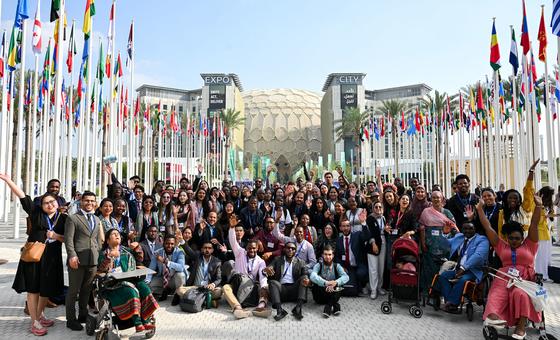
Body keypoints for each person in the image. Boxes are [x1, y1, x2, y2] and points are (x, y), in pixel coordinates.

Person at [1, 174, 66, 336]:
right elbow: (22, 196)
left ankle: (39, 314)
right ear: (41, 205)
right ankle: (34, 322)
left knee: (46, 289)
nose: (50, 205)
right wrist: (8, 180)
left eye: (52, 202)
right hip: (34, 257)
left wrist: (56, 236)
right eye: (46, 203)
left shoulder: (64, 218)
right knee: (33, 289)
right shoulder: (36, 213)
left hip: (52, 258)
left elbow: (68, 239)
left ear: (57, 203)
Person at [479, 194, 543, 339]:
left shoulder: (530, 245)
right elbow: (487, 226)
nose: (514, 241)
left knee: (520, 294)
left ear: (522, 238)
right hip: (504, 277)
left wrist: (538, 206)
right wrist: (480, 210)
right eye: (511, 238)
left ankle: (521, 328)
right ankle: (493, 317)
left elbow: (534, 224)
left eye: (517, 238)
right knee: (497, 293)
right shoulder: (502, 246)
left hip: (524, 279)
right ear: (507, 238)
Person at [97, 229, 158, 332]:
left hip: (131, 280)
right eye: (113, 234)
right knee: (131, 291)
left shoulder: (126, 251)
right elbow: (101, 269)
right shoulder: (103, 253)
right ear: (107, 240)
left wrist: (138, 248)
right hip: (113, 285)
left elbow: (140, 258)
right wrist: (110, 257)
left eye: (118, 234)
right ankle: (138, 324)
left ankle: (145, 320)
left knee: (144, 288)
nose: (117, 235)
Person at [64, 191, 102, 331]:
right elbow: (68, 240)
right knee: (73, 291)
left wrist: (98, 254)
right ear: (81, 201)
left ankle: (83, 315)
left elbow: (97, 240)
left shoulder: (97, 219)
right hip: (77, 260)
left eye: (92, 201)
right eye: (87, 200)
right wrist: (72, 255)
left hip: (92, 260)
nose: (89, 203)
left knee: (87, 290)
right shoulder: (73, 218)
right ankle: (70, 319)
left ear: (95, 203)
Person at [435, 220, 489, 312]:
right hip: (458, 268)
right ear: (462, 230)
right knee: (443, 276)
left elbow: (478, 256)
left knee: (463, 279)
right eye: (465, 229)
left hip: (473, 270)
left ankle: (452, 303)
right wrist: (445, 234)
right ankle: (450, 303)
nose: (467, 231)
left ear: (475, 229)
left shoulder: (482, 240)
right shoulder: (459, 236)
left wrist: (464, 268)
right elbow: (443, 245)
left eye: (470, 228)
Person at [223, 214, 269, 319]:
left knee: (264, 286)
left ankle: (260, 307)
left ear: (257, 249)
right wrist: (231, 228)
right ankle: (237, 308)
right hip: (237, 284)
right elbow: (232, 241)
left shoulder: (260, 261)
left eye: (253, 248)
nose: (251, 250)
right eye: (249, 248)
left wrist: (264, 288)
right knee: (225, 288)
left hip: (250, 287)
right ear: (246, 248)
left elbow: (262, 278)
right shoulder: (240, 252)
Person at [418, 190, 457, 293]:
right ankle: (429, 292)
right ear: (431, 199)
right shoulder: (426, 212)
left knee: (443, 270)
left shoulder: (447, 213)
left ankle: (442, 293)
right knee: (429, 270)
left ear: (442, 199)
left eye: (438, 197)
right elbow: (422, 228)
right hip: (430, 245)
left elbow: (454, 229)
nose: (436, 199)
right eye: (434, 197)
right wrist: (423, 243)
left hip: (444, 247)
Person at [264, 242, 310, 321]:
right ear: (284, 249)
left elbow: (305, 274)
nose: (290, 250)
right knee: (272, 282)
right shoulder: (277, 259)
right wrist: (267, 269)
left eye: (293, 249)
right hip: (281, 290)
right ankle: (280, 310)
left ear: (295, 251)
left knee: (304, 278)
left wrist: (308, 280)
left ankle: (298, 308)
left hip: (294, 290)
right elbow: (268, 268)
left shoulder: (301, 262)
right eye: (288, 248)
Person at [174, 242, 223, 306]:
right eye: (205, 248)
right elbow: (189, 251)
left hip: (207, 289)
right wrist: (182, 241)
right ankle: (207, 301)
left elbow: (219, 278)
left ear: (212, 250)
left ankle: (195, 299)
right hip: (195, 288)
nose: (207, 250)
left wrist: (213, 284)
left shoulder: (217, 262)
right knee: (179, 290)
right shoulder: (197, 257)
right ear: (202, 249)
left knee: (219, 291)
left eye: (209, 248)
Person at [310, 245, 349, 317]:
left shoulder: (337, 266)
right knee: (317, 282)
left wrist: (335, 282)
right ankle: (335, 305)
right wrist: (326, 283)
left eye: (329, 254)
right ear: (322, 255)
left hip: (332, 293)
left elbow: (346, 277)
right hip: (320, 297)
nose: (327, 257)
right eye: (325, 254)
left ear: (333, 255)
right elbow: (312, 276)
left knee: (340, 284)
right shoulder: (318, 265)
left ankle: (328, 306)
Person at [146, 235, 187, 301]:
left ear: (175, 244)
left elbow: (181, 267)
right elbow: (151, 269)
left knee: (180, 275)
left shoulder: (180, 252)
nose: (169, 246)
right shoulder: (157, 253)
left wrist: (166, 262)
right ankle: (166, 291)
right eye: (167, 243)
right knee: (149, 285)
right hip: (163, 279)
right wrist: (147, 281)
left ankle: (178, 294)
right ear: (163, 243)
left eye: (172, 244)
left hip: (174, 279)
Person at [335, 219, 368, 296]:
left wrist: (363, 223)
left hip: (358, 265)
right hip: (347, 267)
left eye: (347, 226)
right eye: (343, 226)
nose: (346, 228)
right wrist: (341, 267)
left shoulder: (357, 235)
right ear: (340, 228)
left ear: (350, 227)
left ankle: (363, 285)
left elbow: (366, 236)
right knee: (348, 286)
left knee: (360, 274)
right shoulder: (338, 240)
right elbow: (337, 257)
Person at [364, 201, 385, 299]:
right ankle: (373, 289)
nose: (378, 209)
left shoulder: (383, 218)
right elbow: (368, 232)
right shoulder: (369, 218)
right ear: (373, 209)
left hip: (383, 243)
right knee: (373, 269)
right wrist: (373, 243)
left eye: (380, 207)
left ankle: (379, 287)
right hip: (373, 244)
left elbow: (381, 230)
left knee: (381, 267)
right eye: (376, 207)